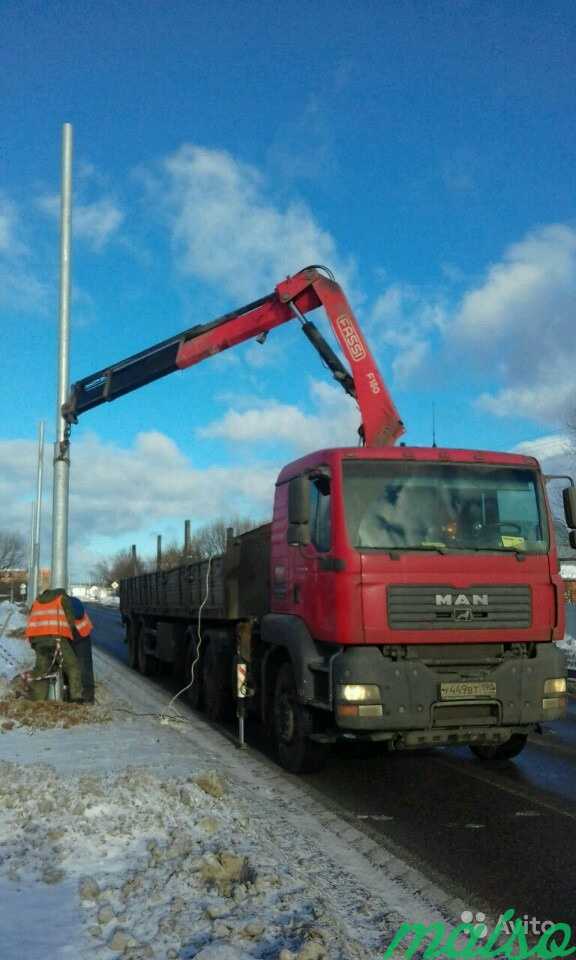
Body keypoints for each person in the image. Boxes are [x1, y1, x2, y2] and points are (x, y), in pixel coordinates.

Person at [25, 588, 83, 702]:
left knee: (42, 671)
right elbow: (70, 620)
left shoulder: (37, 601)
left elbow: (31, 620)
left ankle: (38, 701)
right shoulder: (62, 598)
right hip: (57, 639)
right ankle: (76, 699)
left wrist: (35, 643)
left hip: (38, 641)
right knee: (72, 667)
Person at [70, 597, 95, 704]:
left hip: (80, 633)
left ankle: (86, 697)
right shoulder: (69, 600)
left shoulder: (65, 603)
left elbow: (78, 613)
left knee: (83, 665)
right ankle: (86, 696)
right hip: (82, 632)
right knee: (83, 664)